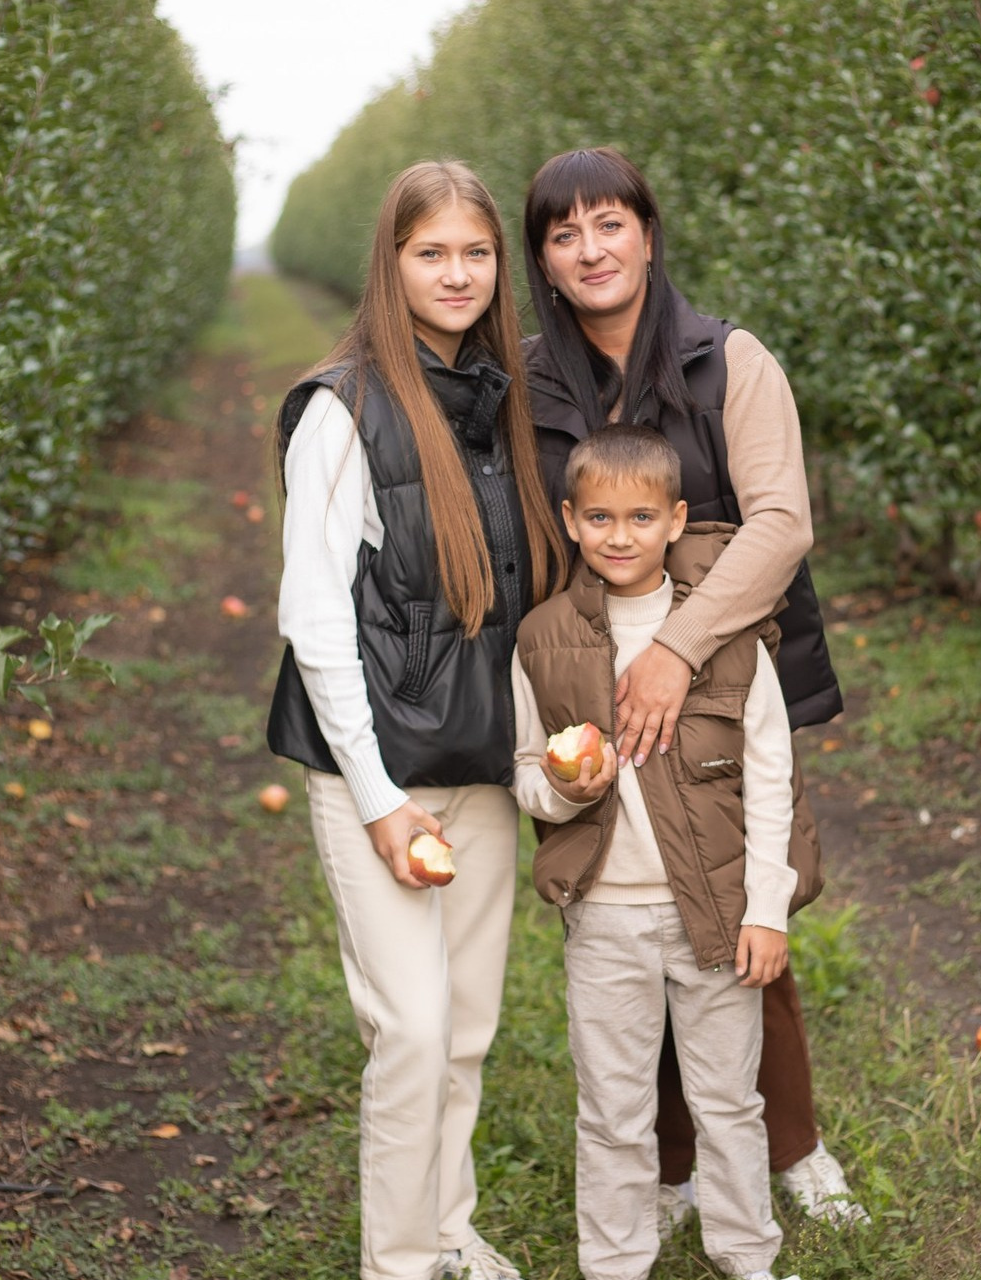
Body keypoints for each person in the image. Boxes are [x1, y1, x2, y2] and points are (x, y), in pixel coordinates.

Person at [521, 146, 867, 1228]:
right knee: (635, 906)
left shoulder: (728, 360)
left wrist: (678, 645)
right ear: (542, 258)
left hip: (723, 669)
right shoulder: (535, 381)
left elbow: (779, 521)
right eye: (564, 233)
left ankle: (789, 1142)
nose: (591, 248)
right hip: (600, 673)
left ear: (648, 231)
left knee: (729, 896)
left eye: (608, 223)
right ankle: (675, 1165)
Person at [266, 159, 566, 1280]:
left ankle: (447, 1225)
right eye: (430, 251)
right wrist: (381, 801)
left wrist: (538, 753)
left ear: (499, 268)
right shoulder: (340, 413)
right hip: (376, 772)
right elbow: (312, 617)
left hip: (476, 760)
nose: (456, 272)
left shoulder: (496, 403)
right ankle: (396, 1261)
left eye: (475, 252)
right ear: (390, 265)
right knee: (412, 1029)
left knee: (470, 1026)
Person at [512, 424, 801, 1280]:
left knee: (727, 1101)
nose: (620, 536)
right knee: (612, 1107)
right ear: (569, 520)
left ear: (677, 520)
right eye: (599, 517)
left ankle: (748, 1255)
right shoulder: (541, 639)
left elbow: (772, 780)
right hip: (603, 916)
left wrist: (766, 909)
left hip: (711, 912)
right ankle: (615, 1262)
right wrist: (567, 790)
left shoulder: (726, 635)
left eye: (642, 517)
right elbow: (524, 774)